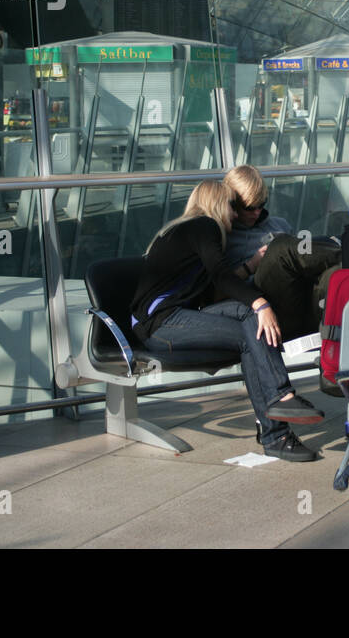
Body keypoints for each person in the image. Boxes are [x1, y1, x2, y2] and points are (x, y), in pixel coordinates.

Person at [129, 180, 323, 461]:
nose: (235, 214)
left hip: (179, 315)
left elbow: (210, 287)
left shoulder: (183, 229)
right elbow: (221, 276)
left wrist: (253, 286)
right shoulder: (204, 226)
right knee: (250, 333)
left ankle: (279, 414)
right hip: (160, 324)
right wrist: (261, 303)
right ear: (219, 204)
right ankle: (277, 421)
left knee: (251, 321)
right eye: (232, 207)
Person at [221, 164, 340, 340]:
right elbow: (219, 287)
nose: (256, 212)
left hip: (303, 302)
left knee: (335, 273)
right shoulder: (225, 236)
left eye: (261, 205)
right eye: (249, 207)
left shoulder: (279, 224)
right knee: (280, 248)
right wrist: (252, 265)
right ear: (232, 203)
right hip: (267, 309)